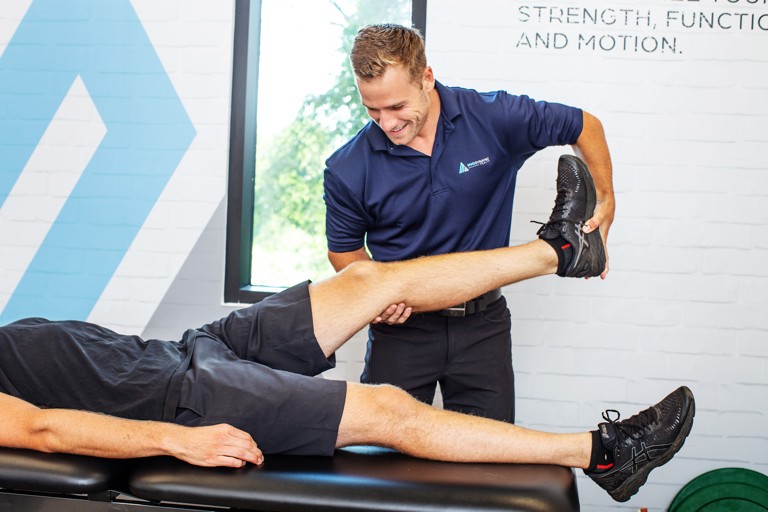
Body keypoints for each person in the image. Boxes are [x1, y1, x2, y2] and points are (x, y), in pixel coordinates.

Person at [0, 162, 689, 504]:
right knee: (385, 407)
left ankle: (561, 251)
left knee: (370, 281)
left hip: (188, 350)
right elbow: (41, 431)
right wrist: (177, 439)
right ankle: (602, 454)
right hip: (186, 403)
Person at [323, 24, 615, 423]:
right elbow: (344, 250)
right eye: (372, 110)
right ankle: (562, 251)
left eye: (396, 107)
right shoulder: (347, 167)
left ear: (426, 78)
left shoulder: (492, 117)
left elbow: (584, 125)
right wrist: (377, 296)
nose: (386, 123)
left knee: (490, 453)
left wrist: (605, 200)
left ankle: (569, 247)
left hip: (483, 326)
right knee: (382, 452)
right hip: (402, 333)